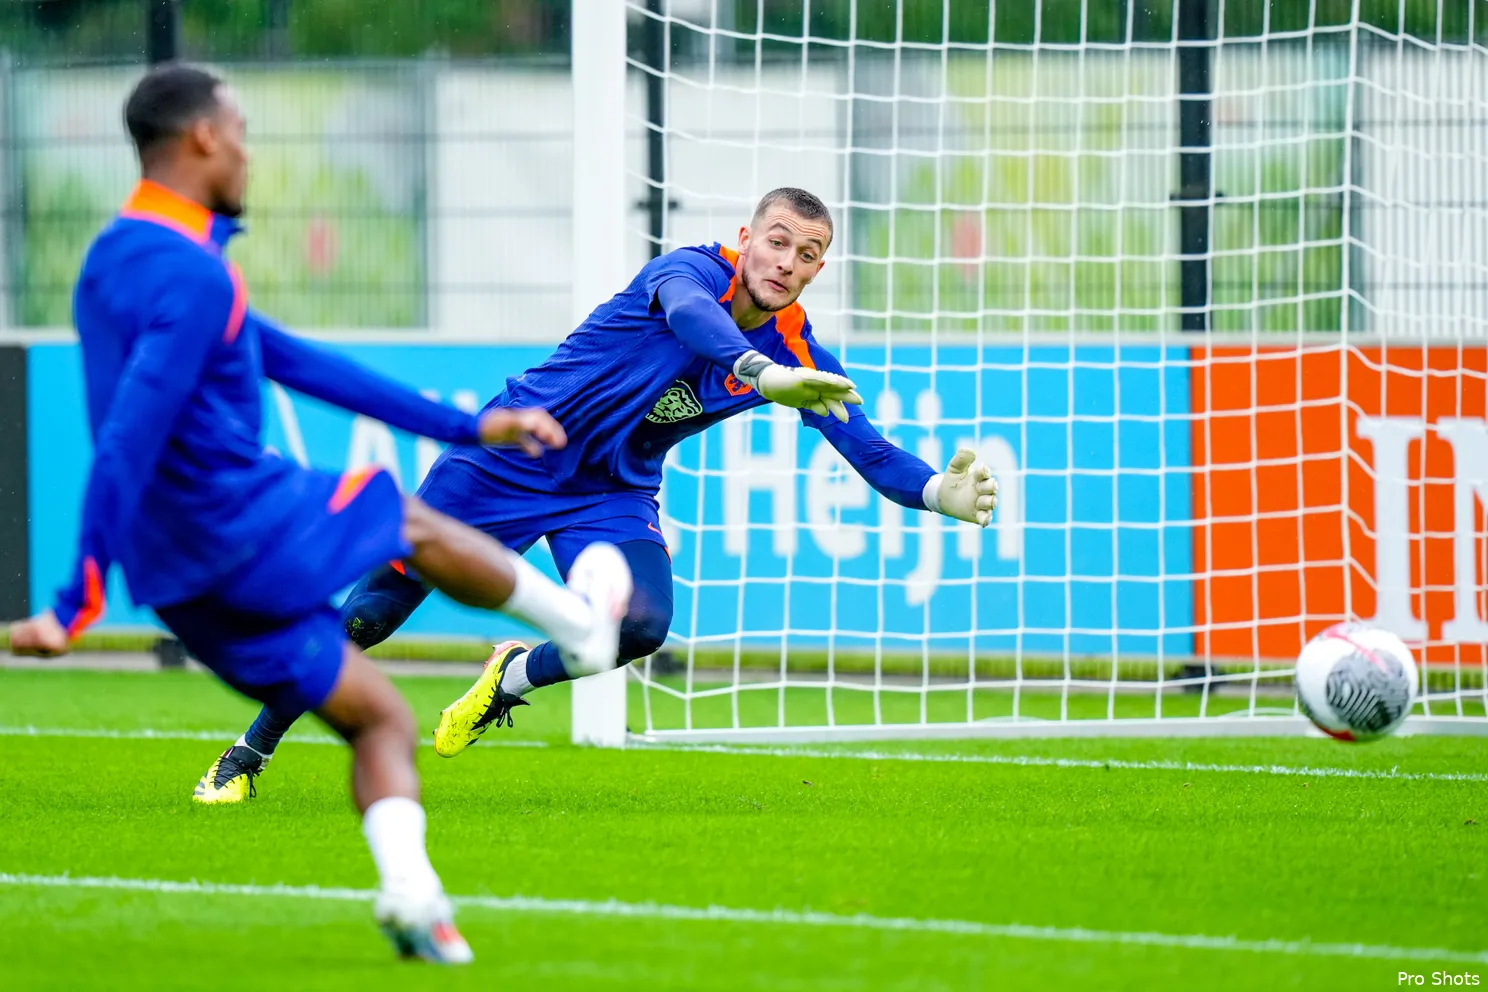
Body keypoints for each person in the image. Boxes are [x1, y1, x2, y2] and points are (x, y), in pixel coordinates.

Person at [4, 62, 634, 965]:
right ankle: (579, 634)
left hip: (182, 577)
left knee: (379, 718)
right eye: (244, 130)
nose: (252, 153)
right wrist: (73, 605)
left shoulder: (115, 258)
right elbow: (127, 442)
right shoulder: (191, 275)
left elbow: (301, 365)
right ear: (204, 139)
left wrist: (471, 425)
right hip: (232, 519)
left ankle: (415, 902)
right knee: (405, 520)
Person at [216, 185, 1000, 772]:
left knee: (641, 626)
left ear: (817, 269)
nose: (786, 263)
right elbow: (695, 320)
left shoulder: (802, 353)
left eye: (806, 253)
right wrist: (760, 373)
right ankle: (250, 752)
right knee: (372, 618)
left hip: (611, 491)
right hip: (513, 456)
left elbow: (868, 450)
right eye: (777, 241)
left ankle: (508, 680)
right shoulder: (690, 271)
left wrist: (936, 491)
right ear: (745, 241)